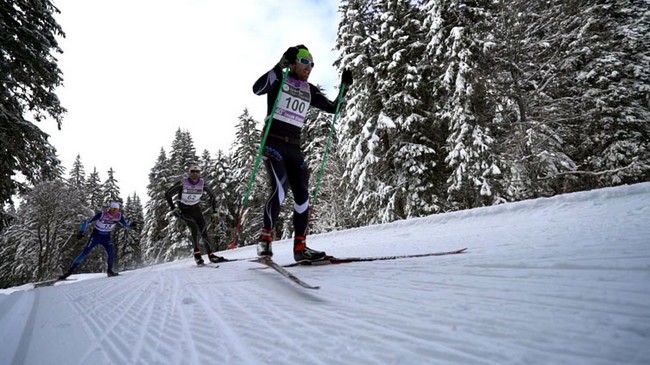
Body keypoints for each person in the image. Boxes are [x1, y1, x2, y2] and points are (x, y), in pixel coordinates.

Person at [252, 44, 353, 262]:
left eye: (312, 64)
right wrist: (279, 65)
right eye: (305, 62)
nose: (309, 67)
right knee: (280, 189)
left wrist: (344, 88)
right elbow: (258, 89)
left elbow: (334, 109)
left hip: (294, 147)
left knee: (303, 195)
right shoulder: (280, 79)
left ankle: (300, 248)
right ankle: (265, 240)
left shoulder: (310, 90)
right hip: (273, 142)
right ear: (294, 62)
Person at [165, 165, 226, 265]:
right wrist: (173, 208)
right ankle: (197, 255)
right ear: (189, 173)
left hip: (196, 210)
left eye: (197, 172)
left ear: (199, 173)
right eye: (192, 171)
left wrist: (214, 211)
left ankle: (211, 256)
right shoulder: (183, 183)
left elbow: (212, 197)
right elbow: (168, 194)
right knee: (193, 228)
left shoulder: (202, 184)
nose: (195, 174)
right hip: (184, 211)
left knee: (203, 231)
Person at [59, 202, 136, 279]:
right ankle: (68, 272)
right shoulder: (102, 214)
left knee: (111, 253)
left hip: (106, 237)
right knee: (85, 253)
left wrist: (130, 226)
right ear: (110, 208)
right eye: (113, 209)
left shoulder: (118, 216)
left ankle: (109, 270)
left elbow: (125, 225)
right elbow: (87, 222)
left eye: (117, 210)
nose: (115, 211)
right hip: (96, 236)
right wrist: (82, 231)